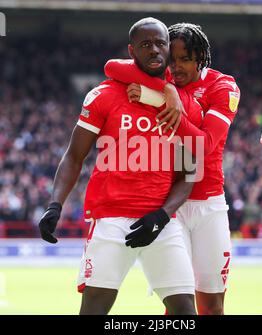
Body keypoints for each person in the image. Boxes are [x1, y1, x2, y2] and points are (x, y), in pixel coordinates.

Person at [38, 18, 203, 315]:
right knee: (94, 310)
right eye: (145, 44)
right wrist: (55, 204)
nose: (154, 50)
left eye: (160, 44)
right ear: (131, 50)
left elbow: (190, 172)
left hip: (161, 223)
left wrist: (163, 215)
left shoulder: (182, 103)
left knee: (186, 312)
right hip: (110, 220)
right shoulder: (104, 95)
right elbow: (75, 156)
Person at [104, 22, 240, 315]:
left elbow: (203, 147)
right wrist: (167, 89)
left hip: (209, 204)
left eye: (185, 59)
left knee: (212, 304)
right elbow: (112, 67)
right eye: (172, 59)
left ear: (200, 58)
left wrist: (157, 100)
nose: (176, 67)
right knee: (178, 304)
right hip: (169, 204)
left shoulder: (223, 86)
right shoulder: (164, 79)